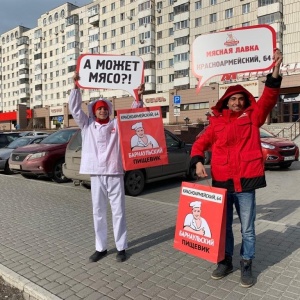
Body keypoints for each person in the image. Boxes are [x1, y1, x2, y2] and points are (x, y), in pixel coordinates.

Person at [190, 49, 283, 288]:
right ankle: (225, 261)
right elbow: (200, 143)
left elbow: (269, 98)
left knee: (248, 228)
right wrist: (198, 160)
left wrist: (275, 70)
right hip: (221, 182)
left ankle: (247, 264)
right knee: (224, 228)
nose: (237, 102)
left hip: (245, 182)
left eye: (241, 98)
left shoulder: (253, 117)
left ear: (245, 101)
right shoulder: (216, 123)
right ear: (225, 102)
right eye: (233, 99)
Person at [69, 72, 128, 263]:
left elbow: (135, 118)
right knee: (98, 211)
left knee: (118, 211)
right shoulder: (87, 126)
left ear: (109, 111)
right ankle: (101, 248)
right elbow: (75, 109)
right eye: (99, 109)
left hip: (114, 172)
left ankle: (121, 248)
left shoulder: (116, 125)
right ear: (94, 111)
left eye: (105, 109)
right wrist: (76, 87)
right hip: (96, 174)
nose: (102, 111)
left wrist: (139, 98)